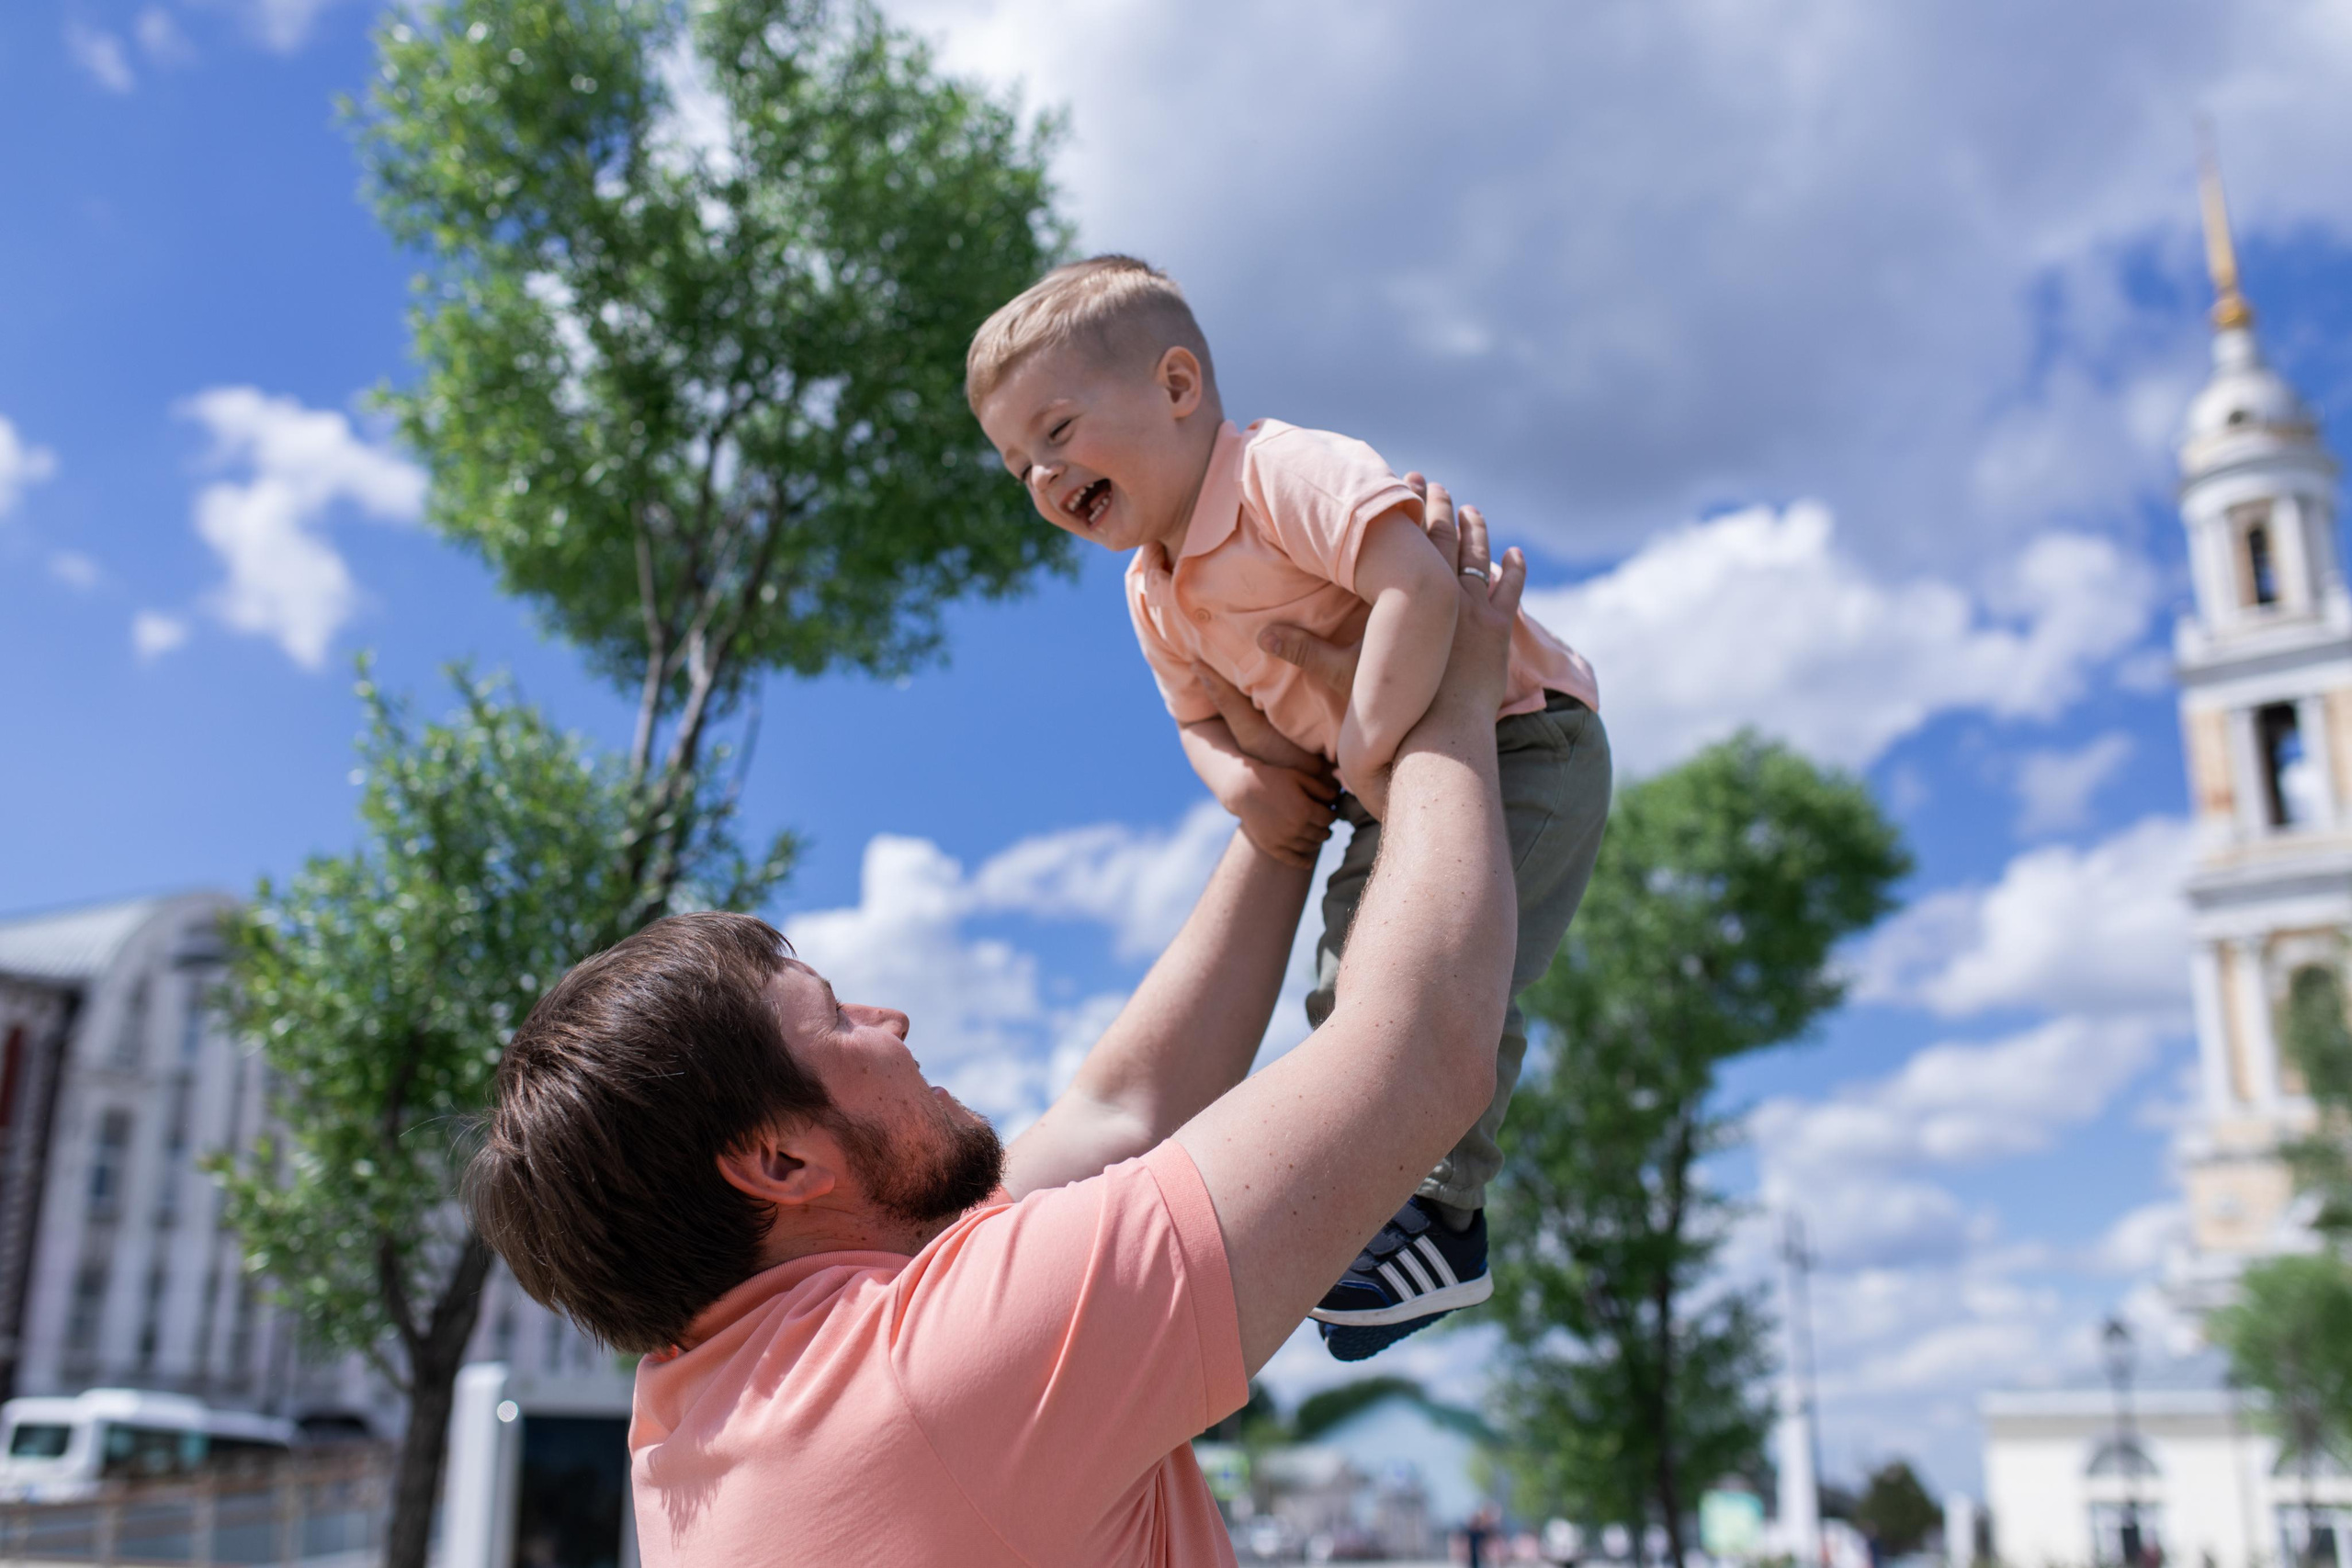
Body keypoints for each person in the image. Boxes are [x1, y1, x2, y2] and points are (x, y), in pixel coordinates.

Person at [469, 497, 1533, 1565]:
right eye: (838, 1019)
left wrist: (1286, 818)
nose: (892, 1019)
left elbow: (1123, 1112)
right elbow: (1422, 1049)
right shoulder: (936, 1381)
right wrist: (1447, 688)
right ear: (781, 1160)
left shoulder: (700, 1416)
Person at [967, 255, 1611, 1358]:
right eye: (1021, 463)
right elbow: (1198, 721)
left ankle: (1441, 1212)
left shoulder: (1277, 473)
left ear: (1178, 386)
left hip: (1518, 743)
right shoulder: (1151, 588)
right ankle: (1381, 1203)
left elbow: (1414, 579)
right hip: (1390, 790)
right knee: (1352, 981)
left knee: (1451, 970)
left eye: (1059, 429)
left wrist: (1363, 741)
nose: (1041, 474)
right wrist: (1249, 788)